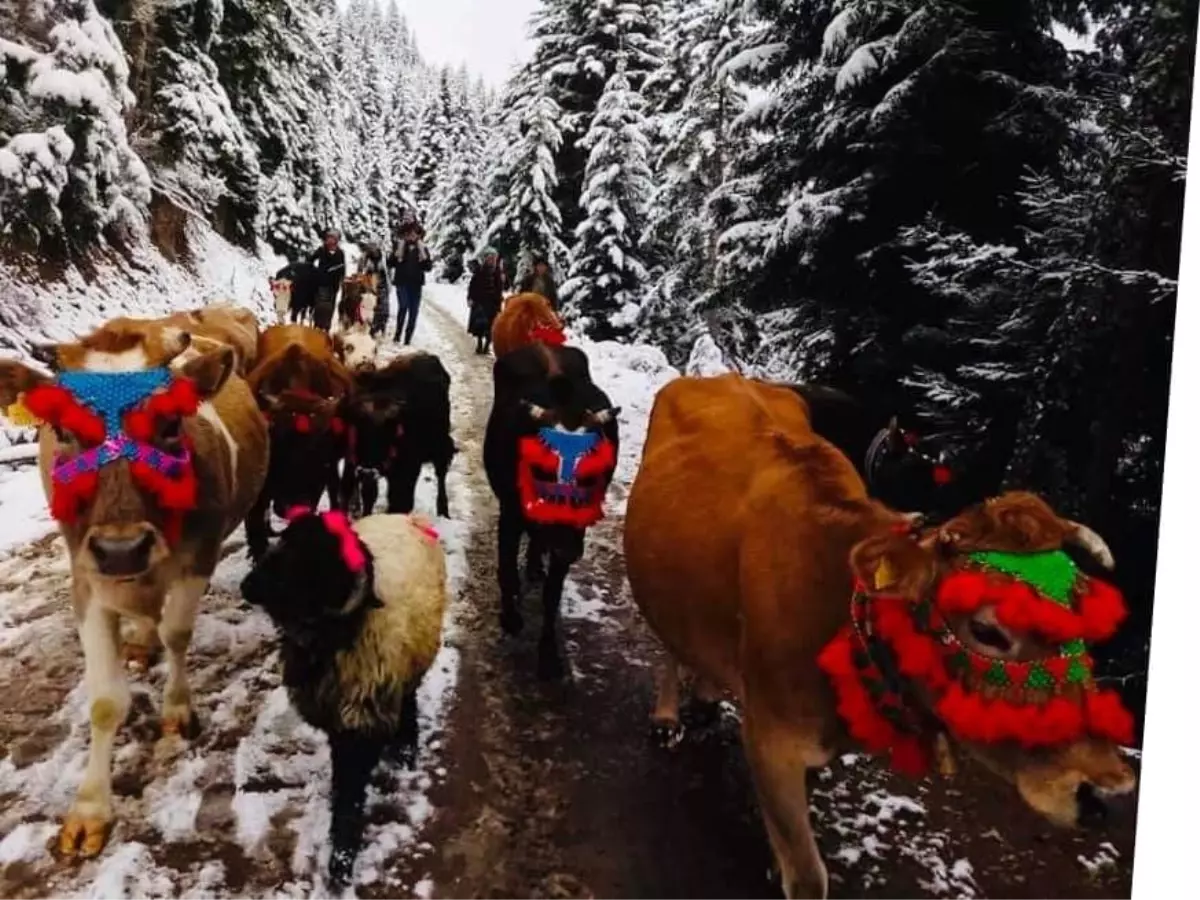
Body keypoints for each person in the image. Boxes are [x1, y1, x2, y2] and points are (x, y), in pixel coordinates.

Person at [388, 222, 432, 345]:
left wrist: (424, 258)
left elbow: (428, 267)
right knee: (403, 306)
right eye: (409, 233)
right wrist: (395, 255)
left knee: (414, 311)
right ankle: (398, 334)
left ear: (418, 235)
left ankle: (408, 338)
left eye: (415, 233)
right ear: (405, 235)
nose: (412, 235)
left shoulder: (422, 248)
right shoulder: (399, 247)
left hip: (416, 284)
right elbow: (390, 263)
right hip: (402, 283)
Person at [467, 247, 505, 355]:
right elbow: (472, 286)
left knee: (492, 327)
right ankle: (479, 344)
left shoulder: (498, 272)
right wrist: (470, 298)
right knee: (479, 326)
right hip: (480, 302)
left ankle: (487, 346)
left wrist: (504, 280)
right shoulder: (479, 271)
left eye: (493, 258)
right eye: (489, 258)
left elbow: (504, 286)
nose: (492, 260)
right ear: (485, 259)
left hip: (493, 303)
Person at [308, 229, 345, 332]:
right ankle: (317, 327)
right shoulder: (321, 250)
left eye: (332, 238)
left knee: (330, 308)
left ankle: (326, 328)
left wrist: (341, 280)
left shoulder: (340, 253)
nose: (330, 240)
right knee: (320, 306)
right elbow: (310, 260)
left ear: (337, 240)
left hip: (333, 285)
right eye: (328, 238)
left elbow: (342, 269)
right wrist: (315, 272)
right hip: (321, 282)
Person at [357, 242, 391, 337]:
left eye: (374, 249)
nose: (373, 251)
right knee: (369, 308)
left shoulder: (384, 257)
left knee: (383, 308)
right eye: (371, 249)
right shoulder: (364, 258)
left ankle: (381, 326)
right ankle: (371, 328)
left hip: (382, 285)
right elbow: (359, 271)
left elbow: (388, 271)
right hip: (368, 285)